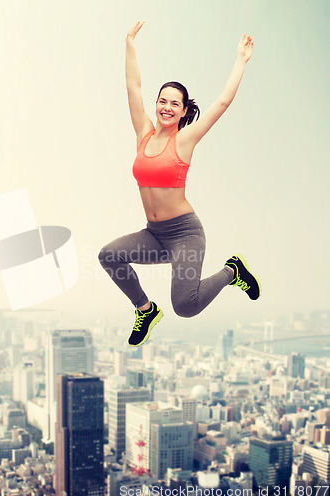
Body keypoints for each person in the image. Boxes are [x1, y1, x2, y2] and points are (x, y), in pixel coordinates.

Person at [98, 21, 261, 347]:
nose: (166, 107)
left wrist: (240, 61)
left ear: (184, 110)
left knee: (185, 306)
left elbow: (222, 103)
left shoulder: (185, 139)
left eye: (175, 103)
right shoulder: (143, 133)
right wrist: (129, 42)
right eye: (162, 100)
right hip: (153, 234)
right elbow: (132, 86)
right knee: (108, 255)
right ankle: (145, 310)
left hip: (185, 233)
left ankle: (233, 271)